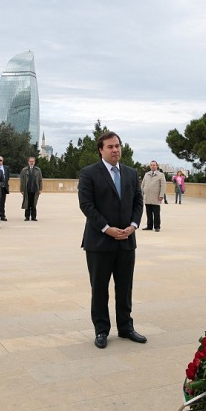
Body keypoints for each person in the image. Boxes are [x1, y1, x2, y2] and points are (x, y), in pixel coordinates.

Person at [78, 131, 145, 349]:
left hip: (126, 240)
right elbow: (87, 205)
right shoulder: (89, 173)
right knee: (99, 288)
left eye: (117, 146)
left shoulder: (131, 173)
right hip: (99, 242)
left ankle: (126, 327)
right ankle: (101, 330)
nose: (115, 150)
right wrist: (107, 229)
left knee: (125, 288)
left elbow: (138, 201)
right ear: (101, 150)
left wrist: (133, 226)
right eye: (110, 147)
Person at [141, 160, 165, 232]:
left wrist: (161, 195)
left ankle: (157, 226)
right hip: (147, 197)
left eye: (154, 165)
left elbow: (163, 186)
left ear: (157, 166)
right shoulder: (146, 174)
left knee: (156, 213)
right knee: (148, 212)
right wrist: (141, 193)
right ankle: (149, 226)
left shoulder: (161, 175)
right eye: (151, 165)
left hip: (156, 197)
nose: (152, 166)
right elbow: (143, 184)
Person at [20, 156, 43, 221]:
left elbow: (40, 180)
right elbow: (21, 180)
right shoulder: (24, 170)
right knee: (27, 203)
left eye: (32, 161)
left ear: (34, 162)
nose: (31, 163)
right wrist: (21, 189)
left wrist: (40, 189)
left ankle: (34, 217)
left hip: (35, 190)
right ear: (28, 162)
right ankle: (27, 217)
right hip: (27, 189)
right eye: (30, 161)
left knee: (34, 203)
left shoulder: (38, 170)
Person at [0, 155, 10, 221]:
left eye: (0, 160)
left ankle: (2, 215)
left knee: (2, 202)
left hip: (3, 188)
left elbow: (7, 177)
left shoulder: (6, 168)